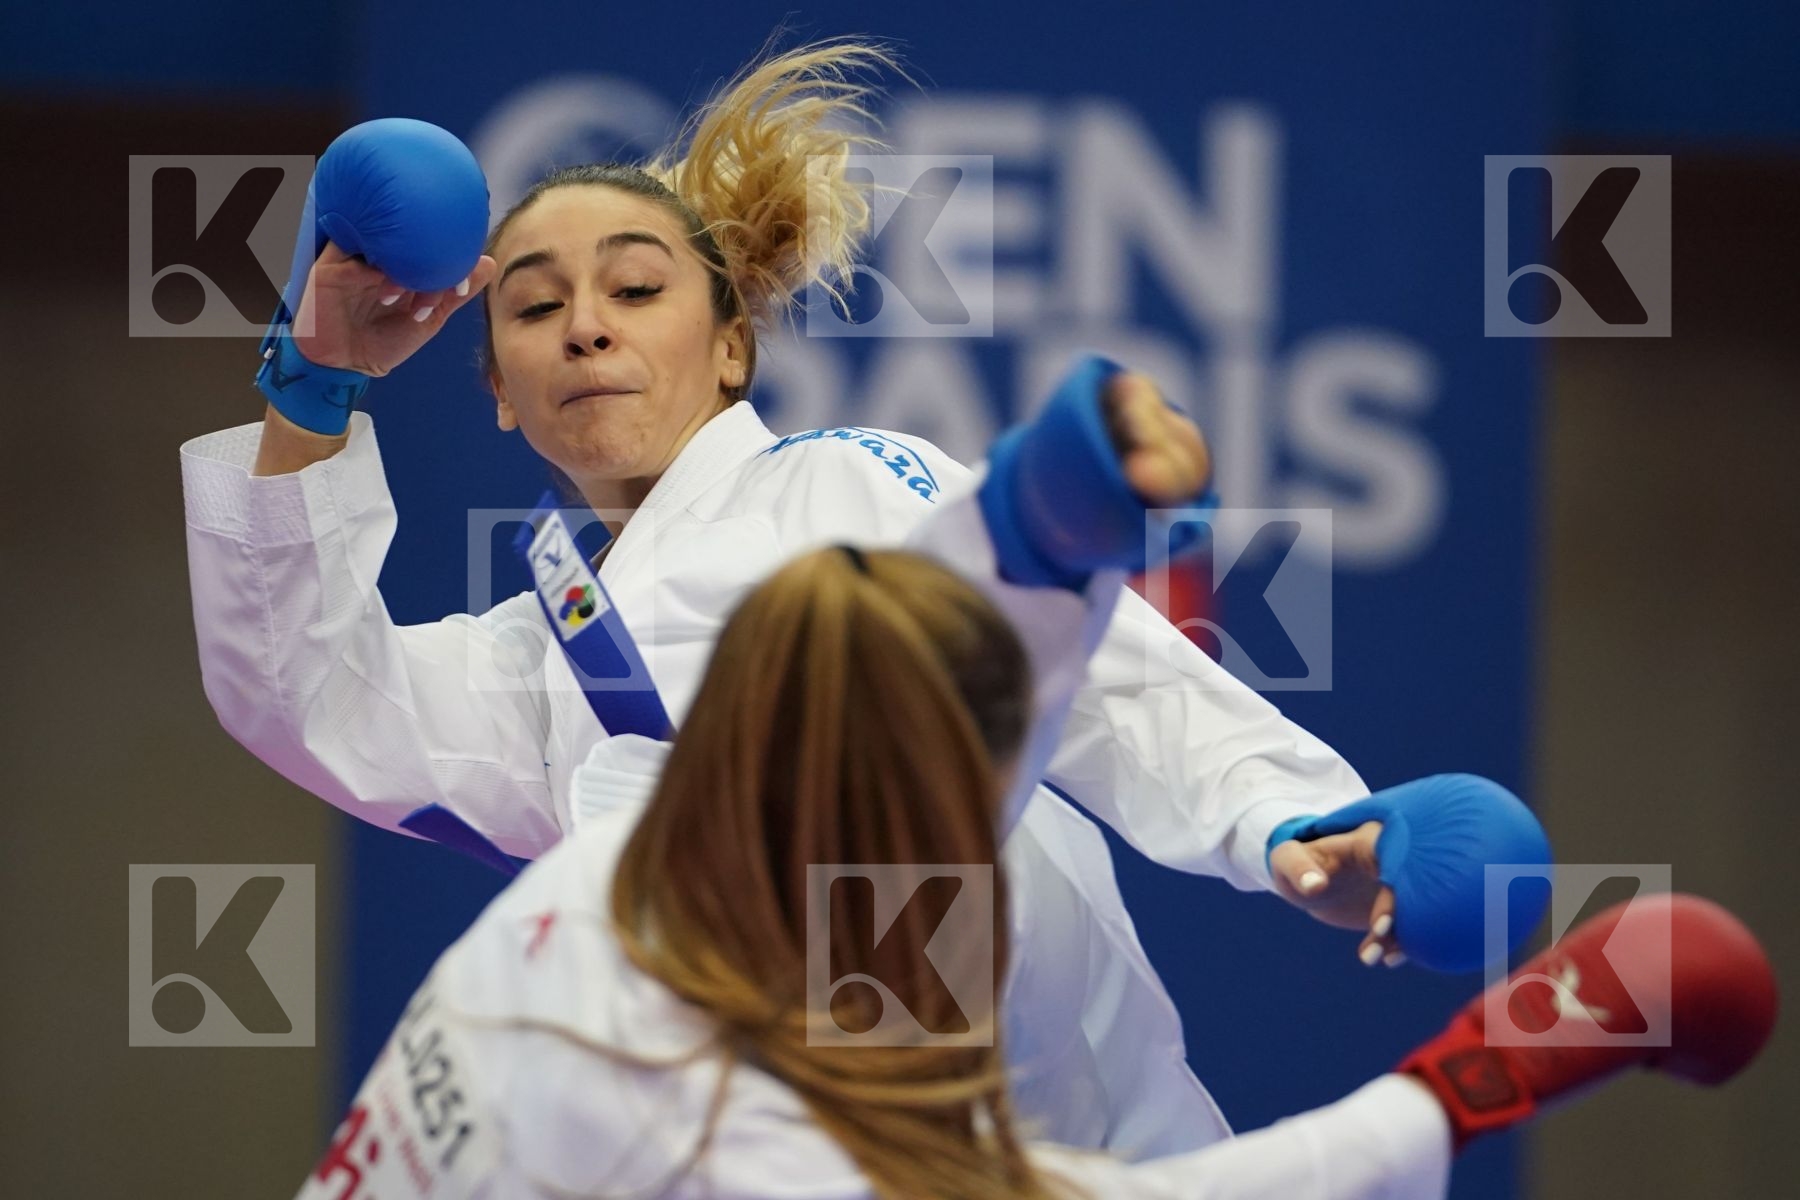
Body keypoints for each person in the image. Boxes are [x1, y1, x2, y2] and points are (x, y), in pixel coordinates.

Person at [184, 40, 1492, 1158]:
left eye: (637, 291)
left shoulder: (852, 487)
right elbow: (300, 693)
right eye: (534, 310)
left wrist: (1288, 826)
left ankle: (1078, 489)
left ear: (733, 345)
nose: (585, 327)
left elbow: (1101, 673)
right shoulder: (538, 665)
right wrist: (315, 380)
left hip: (1068, 1142)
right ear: (498, 395)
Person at [293, 403, 1778, 1198]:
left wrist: (1286, 823)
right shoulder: (714, 1130)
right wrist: (1482, 1081)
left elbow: (990, 699)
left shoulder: (596, 893)